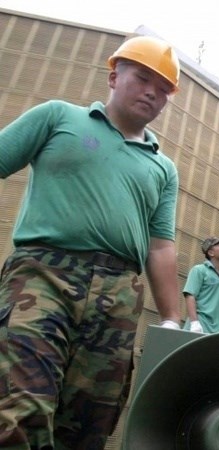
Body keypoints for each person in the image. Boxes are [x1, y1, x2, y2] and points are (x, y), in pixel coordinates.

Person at [0, 36, 183, 449]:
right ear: (114, 75)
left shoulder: (162, 167)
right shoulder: (58, 118)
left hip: (119, 296)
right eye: (143, 78)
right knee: (21, 404)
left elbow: (160, 246)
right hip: (43, 276)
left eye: (163, 88)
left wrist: (172, 319)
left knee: (89, 423)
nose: (153, 92)